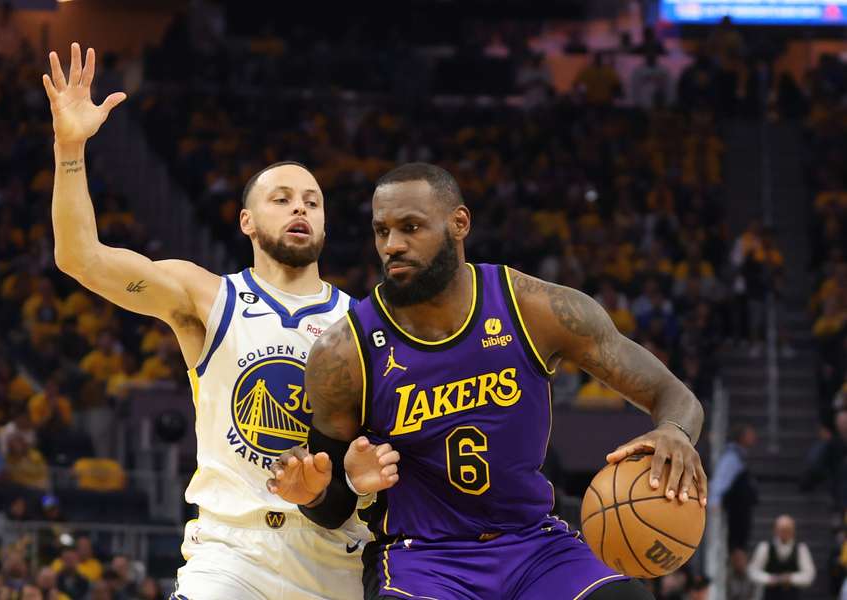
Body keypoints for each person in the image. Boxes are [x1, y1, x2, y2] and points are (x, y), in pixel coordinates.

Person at [269, 163, 708, 599]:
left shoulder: (534, 308)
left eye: (411, 227)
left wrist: (675, 430)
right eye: (382, 231)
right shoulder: (343, 351)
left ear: (459, 224)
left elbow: (673, 395)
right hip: (424, 560)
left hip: (535, 547)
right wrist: (315, 493)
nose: (393, 245)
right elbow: (332, 507)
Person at [41, 43, 366, 598]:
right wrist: (70, 148)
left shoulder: (362, 323)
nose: (299, 210)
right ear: (245, 220)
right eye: (282, 199)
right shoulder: (207, 297)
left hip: (335, 557)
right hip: (230, 556)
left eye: (312, 202)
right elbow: (80, 258)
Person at [709, 424, 759, 551]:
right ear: (742, 437)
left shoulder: (741, 455)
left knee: (739, 543)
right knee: (736, 544)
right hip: (735, 510)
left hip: (742, 509)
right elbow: (720, 480)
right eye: (750, 434)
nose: (754, 437)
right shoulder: (732, 457)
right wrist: (715, 501)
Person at [748, 515, 816, 599]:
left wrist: (790, 578)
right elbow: (753, 572)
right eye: (782, 530)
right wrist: (770, 579)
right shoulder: (765, 547)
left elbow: (809, 575)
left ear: (793, 531)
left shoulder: (801, 549)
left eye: (788, 530)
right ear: (775, 530)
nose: (785, 533)